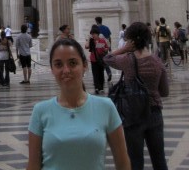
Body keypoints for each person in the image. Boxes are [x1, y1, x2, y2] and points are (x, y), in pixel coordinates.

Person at [26, 38, 130, 170]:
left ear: (84, 66)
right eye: (58, 64)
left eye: (72, 63)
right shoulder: (40, 111)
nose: (66, 70)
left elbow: (123, 162)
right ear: (52, 69)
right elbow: (33, 165)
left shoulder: (106, 107)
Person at [104, 21, 169, 170]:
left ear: (131, 41)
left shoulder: (127, 60)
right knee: (159, 160)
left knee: (135, 161)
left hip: (132, 114)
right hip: (154, 114)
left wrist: (123, 49)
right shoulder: (157, 62)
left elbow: (106, 59)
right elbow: (164, 92)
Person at [85, 26, 109, 94]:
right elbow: (86, 46)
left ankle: (101, 87)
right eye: (92, 34)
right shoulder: (92, 41)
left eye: (94, 34)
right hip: (93, 59)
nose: (93, 35)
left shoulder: (102, 40)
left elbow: (107, 48)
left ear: (97, 34)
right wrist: (89, 39)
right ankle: (97, 87)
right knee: (95, 74)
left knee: (101, 73)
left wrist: (105, 49)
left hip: (101, 59)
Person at [95, 16, 112, 82]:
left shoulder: (96, 29)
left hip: (98, 47)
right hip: (105, 47)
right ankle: (109, 73)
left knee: (98, 62)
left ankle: (100, 77)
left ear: (96, 21)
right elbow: (109, 38)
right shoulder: (106, 28)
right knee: (105, 61)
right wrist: (109, 47)